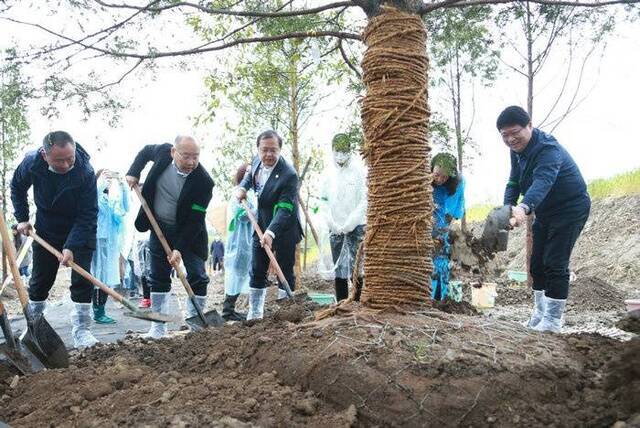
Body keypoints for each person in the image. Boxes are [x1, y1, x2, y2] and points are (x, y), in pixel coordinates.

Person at [497, 106, 590, 333]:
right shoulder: (516, 149)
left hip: (570, 207)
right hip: (546, 211)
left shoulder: (548, 149)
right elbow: (514, 181)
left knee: (554, 262)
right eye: (504, 135)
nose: (510, 139)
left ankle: (553, 321)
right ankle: (539, 315)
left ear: (530, 125)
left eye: (515, 132)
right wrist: (507, 207)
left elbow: (543, 182)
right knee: (537, 264)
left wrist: (524, 207)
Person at [11, 130, 99, 348]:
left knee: (82, 280)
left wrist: (72, 246)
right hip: (47, 228)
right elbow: (17, 188)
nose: (68, 164)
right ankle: (34, 328)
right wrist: (22, 218)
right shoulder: (32, 163)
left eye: (71, 158)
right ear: (45, 155)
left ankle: (82, 331)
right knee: (40, 280)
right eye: (60, 160)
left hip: (80, 228)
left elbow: (88, 213)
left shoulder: (85, 171)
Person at [126, 135, 214, 339]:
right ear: (173, 152)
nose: (191, 162)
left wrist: (179, 249)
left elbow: (194, 220)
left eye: (196, 157)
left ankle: (197, 326)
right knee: (157, 276)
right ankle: (158, 327)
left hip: (189, 234)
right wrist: (133, 171)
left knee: (198, 276)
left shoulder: (204, 182)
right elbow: (145, 150)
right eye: (186, 156)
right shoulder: (162, 153)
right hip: (159, 228)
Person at [236, 130, 303, 320]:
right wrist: (242, 188)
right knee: (257, 266)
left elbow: (284, 209)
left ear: (280, 150)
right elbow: (249, 178)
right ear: (258, 149)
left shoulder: (289, 175)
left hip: (284, 227)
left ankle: (286, 312)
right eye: (264, 150)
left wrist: (271, 233)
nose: (268, 155)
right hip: (261, 223)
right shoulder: (256, 161)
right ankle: (255, 313)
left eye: (273, 150)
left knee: (285, 267)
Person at [320, 133, 367, 302]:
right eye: (337, 151)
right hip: (335, 228)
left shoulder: (358, 172)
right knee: (339, 266)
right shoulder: (327, 174)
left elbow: (364, 200)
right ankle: (341, 302)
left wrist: (350, 223)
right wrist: (332, 223)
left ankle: (357, 301)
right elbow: (324, 200)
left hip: (356, 226)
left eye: (343, 151)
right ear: (332, 150)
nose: (340, 155)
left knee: (357, 267)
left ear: (349, 150)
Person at [90, 169, 129, 324]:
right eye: (105, 177)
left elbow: (125, 208)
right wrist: (101, 181)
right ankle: (96, 312)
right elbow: (92, 198)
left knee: (106, 279)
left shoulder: (110, 200)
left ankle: (101, 311)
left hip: (110, 244)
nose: (108, 181)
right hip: (97, 241)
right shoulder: (94, 196)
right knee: (97, 277)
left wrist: (122, 185)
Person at [430, 152, 465, 301]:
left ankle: (439, 297)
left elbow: (451, 212)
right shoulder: (423, 176)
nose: (439, 180)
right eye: (436, 175)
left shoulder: (457, 183)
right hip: (426, 216)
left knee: (440, 256)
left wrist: (440, 229)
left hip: (442, 220)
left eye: (444, 177)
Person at [222, 163, 255, 321]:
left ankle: (241, 308)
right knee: (235, 273)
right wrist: (255, 212)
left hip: (249, 239)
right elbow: (241, 214)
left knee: (244, 273)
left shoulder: (253, 193)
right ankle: (227, 310)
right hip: (239, 241)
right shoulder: (238, 193)